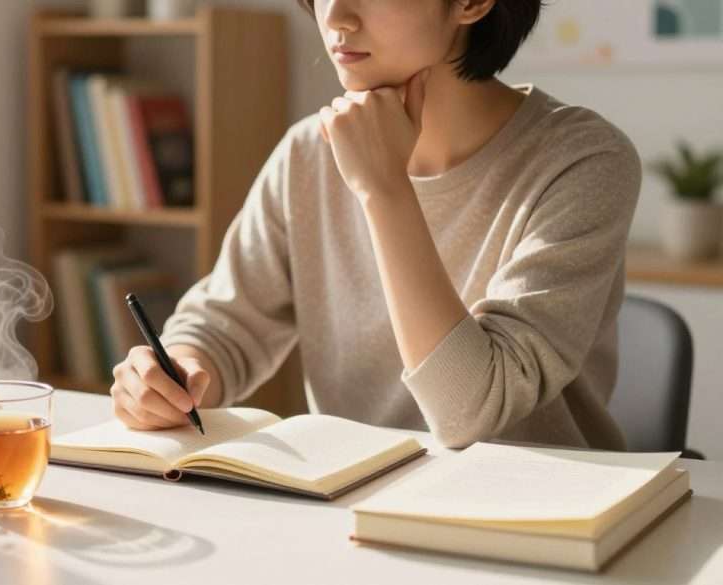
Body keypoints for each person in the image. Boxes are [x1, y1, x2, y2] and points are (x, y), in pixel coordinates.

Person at [109, 0, 640, 449]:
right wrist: (173, 371)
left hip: (538, 532)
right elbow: (225, 323)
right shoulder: (307, 155)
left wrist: (385, 190)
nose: (335, 16)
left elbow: (472, 412)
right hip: (355, 512)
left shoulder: (583, 160)